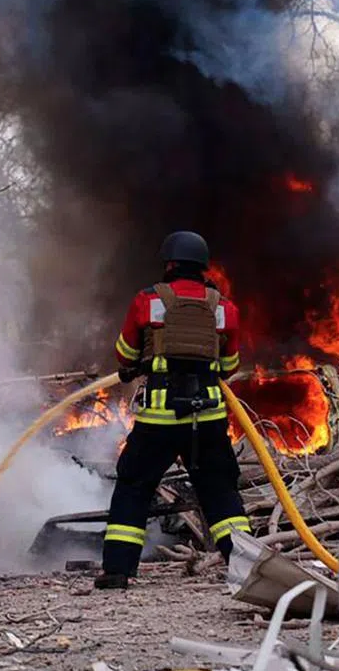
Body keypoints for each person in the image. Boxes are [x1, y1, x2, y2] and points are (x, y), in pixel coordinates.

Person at [96, 231, 250, 590]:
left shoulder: (147, 301)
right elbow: (230, 364)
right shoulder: (224, 308)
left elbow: (125, 354)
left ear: (169, 264)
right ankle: (245, 570)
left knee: (135, 486)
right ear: (203, 267)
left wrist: (147, 360)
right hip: (208, 419)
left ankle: (118, 570)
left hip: (159, 421)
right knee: (220, 492)